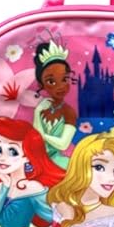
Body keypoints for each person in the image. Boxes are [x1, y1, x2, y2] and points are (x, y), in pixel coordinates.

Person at [33, 41, 77, 169]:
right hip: (36, 159)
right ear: (41, 85)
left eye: (64, 79)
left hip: (56, 162)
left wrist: (42, 135)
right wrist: (37, 112)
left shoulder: (68, 112)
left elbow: (63, 145)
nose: (60, 86)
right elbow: (34, 139)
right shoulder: (42, 108)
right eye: (51, 81)